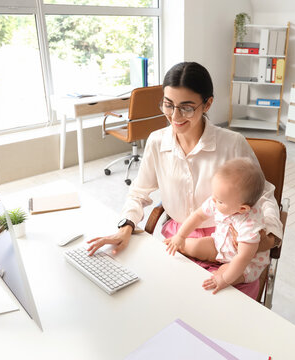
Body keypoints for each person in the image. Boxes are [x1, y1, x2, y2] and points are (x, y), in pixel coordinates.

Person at [87, 61, 283, 299]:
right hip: (178, 238)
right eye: (168, 105)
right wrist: (126, 226)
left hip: (230, 244)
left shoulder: (232, 143)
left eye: (186, 108)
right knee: (161, 299)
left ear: (208, 103)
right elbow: (138, 193)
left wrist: (269, 237)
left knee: (224, 310)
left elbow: (264, 195)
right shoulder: (157, 141)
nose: (175, 116)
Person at [165, 158, 270, 295]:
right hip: (219, 244)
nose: (213, 201)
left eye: (220, 200)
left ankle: (222, 276)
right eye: (214, 195)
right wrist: (180, 236)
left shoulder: (250, 225)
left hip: (245, 263)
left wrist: (224, 279)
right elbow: (198, 216)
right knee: (191, 245)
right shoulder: (218, 200)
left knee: (225, 273)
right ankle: (175, 243)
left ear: (242, 209)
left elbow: (242, 258)